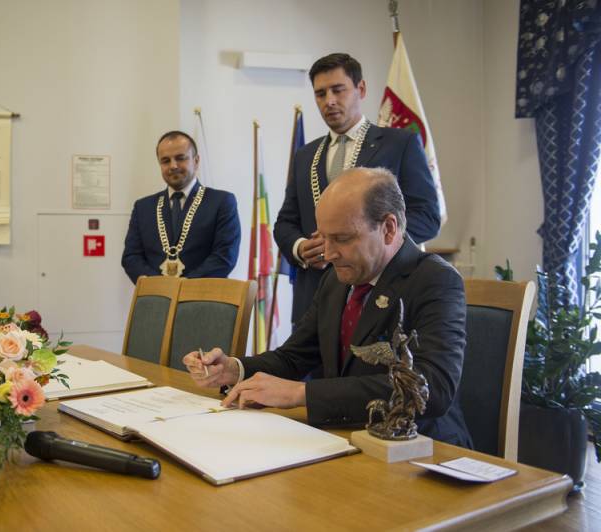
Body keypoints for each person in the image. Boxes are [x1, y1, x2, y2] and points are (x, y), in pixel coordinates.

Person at [184, 167, 471, 447]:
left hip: (420, 449)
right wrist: (234, 369)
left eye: (342, 239)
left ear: (388, 228)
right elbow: (294, 357)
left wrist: (302, 393)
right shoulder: (336, 280)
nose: (329, 254)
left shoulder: (435, 280)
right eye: (324, 237)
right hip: (344, 438)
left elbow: (431, 387)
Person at [275, 53, 441, 325]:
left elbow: (427, 217)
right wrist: (300, 247)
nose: (329, 101)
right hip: (314, 301)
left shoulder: (400, 144)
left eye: (338, 90)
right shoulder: (304, 155)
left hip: (381, 295)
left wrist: (366, 245)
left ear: (360, 89)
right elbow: (285, 223)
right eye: (320, 94)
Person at [122, 131, 240, 282]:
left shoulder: (221, 202)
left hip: (203, 294)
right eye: (165, 161)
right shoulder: (143, 207)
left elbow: (224, 257)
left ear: (196, 161)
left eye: (180, 158)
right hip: (155, 295)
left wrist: (184, 287)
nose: (173, 166)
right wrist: (160, 286)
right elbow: (131, 257)